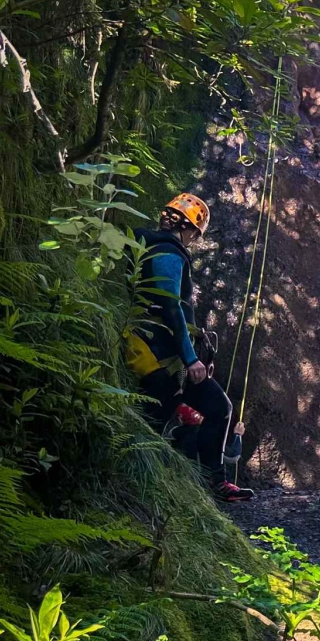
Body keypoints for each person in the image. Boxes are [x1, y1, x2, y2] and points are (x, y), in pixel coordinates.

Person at [124, 193, 253, 503]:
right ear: (191, 229)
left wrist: (196, 354)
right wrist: (191, 357)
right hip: (157, 352)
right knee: (155, 418)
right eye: (197, 234)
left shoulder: (148, 243)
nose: (195, 240)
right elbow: (170, 307)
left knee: (218, 407)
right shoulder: (168, 252)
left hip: (163, 350)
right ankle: (133, 483)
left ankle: (216, 481)